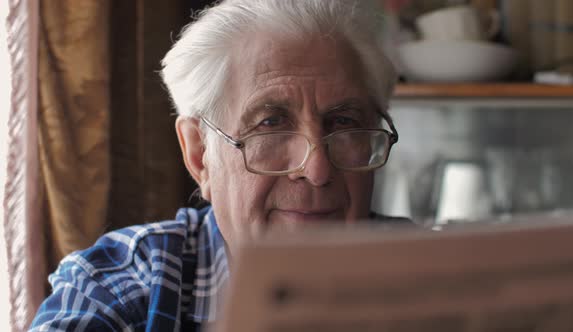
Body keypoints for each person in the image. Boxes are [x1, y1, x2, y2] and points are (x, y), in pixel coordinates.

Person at [30, 0, 399, 330]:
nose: (317, 170)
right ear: (199, 155)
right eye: (270, 124)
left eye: (344, 122)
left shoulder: (442, 277)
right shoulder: (120, 287)